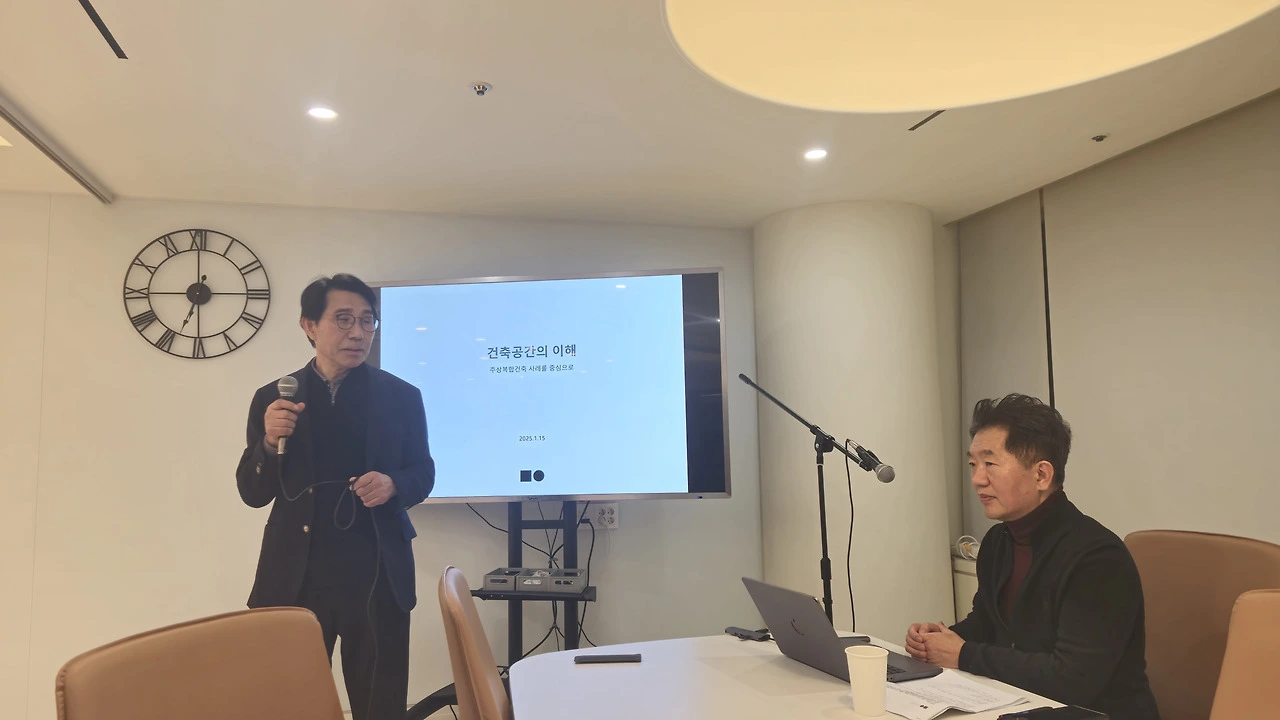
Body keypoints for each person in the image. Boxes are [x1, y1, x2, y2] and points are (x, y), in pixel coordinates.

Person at [236, 273, 434, 720]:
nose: (358, 332)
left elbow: (423, 473)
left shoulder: (401, 397)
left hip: (377, 575)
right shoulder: (273, 399)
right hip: (297, 577)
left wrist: (393, 484)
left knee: (380, 706)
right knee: (291, 704)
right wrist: (268, 443)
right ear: (309, 326)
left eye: (367, 321)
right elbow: (252, 492)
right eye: (343, 319)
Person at [905, 394, 1159, 720]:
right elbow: (987, 624)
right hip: (1021, 704)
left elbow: (1073, 679)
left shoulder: (1097, 558)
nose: (977, 479)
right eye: (973, 465)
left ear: (1041, 475)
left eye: (990, 464)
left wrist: (963, 654)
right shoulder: (998, 541)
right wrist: (938, 640)